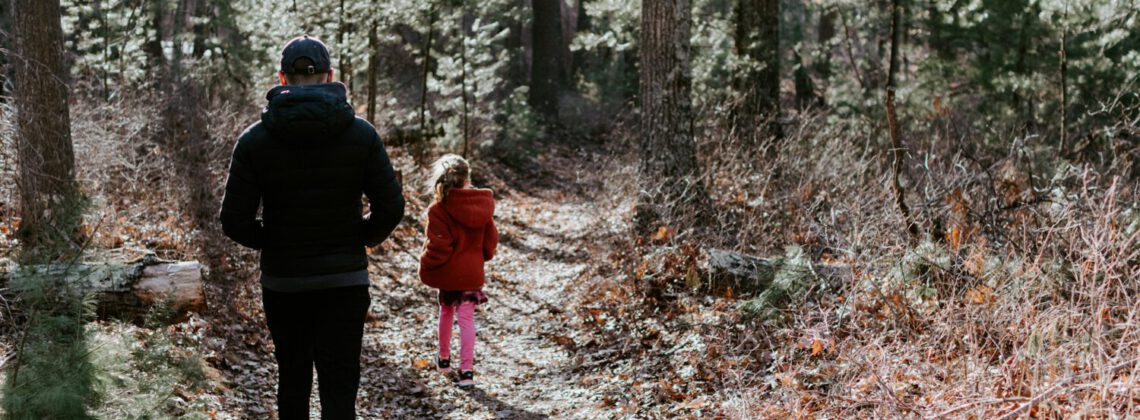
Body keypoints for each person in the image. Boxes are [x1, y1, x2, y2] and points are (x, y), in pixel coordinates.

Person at [219, 35, 405, 419]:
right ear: (330, 76)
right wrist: (361, 237)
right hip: (344, 282)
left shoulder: (255, 141)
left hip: (285, 283)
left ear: (282, 79)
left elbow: (234, 221)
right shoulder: (361, 134)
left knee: (293, 381)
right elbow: (391, 206)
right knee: (339, 389)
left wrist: (274, 242)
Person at [418, 154, 498, 389]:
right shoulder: (482, 205)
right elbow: (490, 241)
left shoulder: (439, 209)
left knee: (445, 312)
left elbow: (438, 248)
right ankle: (467, 371)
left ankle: (443, 360)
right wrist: (479, 258)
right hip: (471, 273)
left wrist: (426, 263)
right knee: (466, 319)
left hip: (448, 273)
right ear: (467, 178)